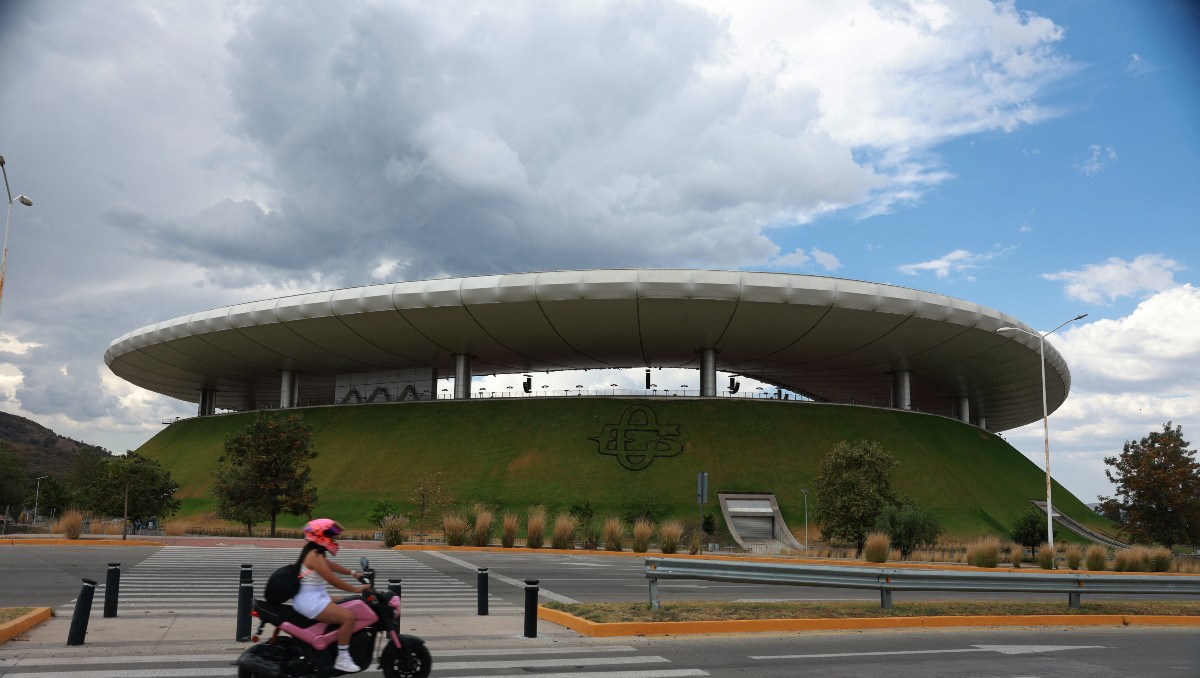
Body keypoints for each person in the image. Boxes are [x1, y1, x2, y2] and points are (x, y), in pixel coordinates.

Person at [293, 518, 369, 673]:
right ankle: (342, 658)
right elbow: (332, 580)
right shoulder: (314, 556)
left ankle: (335, 644)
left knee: (348, 603)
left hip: (315, 596)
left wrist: (353, 573)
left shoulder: (316, 553)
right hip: (311, 600)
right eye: (332, 537)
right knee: (348, 617)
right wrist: (357, 590)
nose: (335, 540)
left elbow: (331, 566)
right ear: (322, 536)